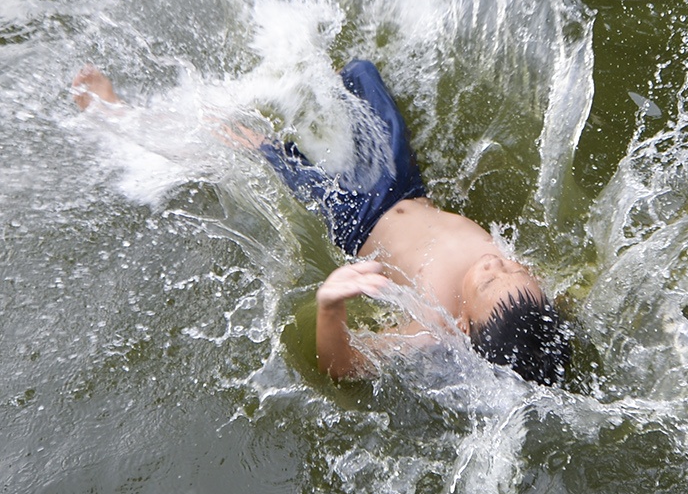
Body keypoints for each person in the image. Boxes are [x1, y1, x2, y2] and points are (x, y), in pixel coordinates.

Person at [72, 63, 573, 385]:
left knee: (246, 147)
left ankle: (116, 115)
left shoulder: (433, 327)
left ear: (464, 328)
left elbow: (345, 368)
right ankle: (309, 75)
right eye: (512, 265)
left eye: (489, 277)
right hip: (404, 185)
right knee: (361, 74)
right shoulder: (529, 305)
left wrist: (331, 304)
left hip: (351, 214)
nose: (496, 262)